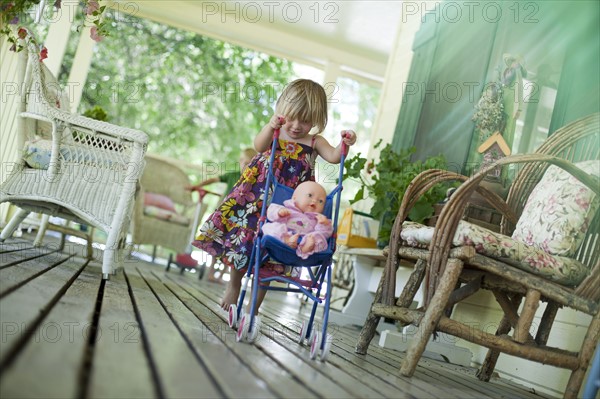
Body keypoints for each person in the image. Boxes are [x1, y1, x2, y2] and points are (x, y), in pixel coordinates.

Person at [192, 78, 357, 315]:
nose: (297, 125)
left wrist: (345, 143)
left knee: (274, 250)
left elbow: (334, 156)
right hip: (256, 195)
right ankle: (234, 285)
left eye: (306, 120)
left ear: (317, 121)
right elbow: (259, 146)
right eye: (291, 116)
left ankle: (253, 308)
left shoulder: (314, 141)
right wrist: (271, 127)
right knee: (244, 240)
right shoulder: (277, 131)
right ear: (280, 110)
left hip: (288, 204)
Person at [187, 148, 257, 282]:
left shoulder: (252, 180)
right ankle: (211, 271)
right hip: (225, 214)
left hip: (240, 217)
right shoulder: (233, 175)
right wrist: (196, 186)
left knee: (232, 246)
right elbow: (214, 179)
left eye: (249, 163)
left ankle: (221, 275)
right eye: (243, 161)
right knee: (218, 241)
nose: (245, 165)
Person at [262, 181, 333, 259]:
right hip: (282, 237)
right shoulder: (288, 209)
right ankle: (287, 240)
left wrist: (324, 224)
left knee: (319, 238)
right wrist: (279, 212)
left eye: (320, 201)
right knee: (270, 227)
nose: (314, 201)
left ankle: (305, 249)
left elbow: (325, 234)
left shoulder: (317, 219)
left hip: (304, 240)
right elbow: (271, 212)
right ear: (294, 198)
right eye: (310, 195)